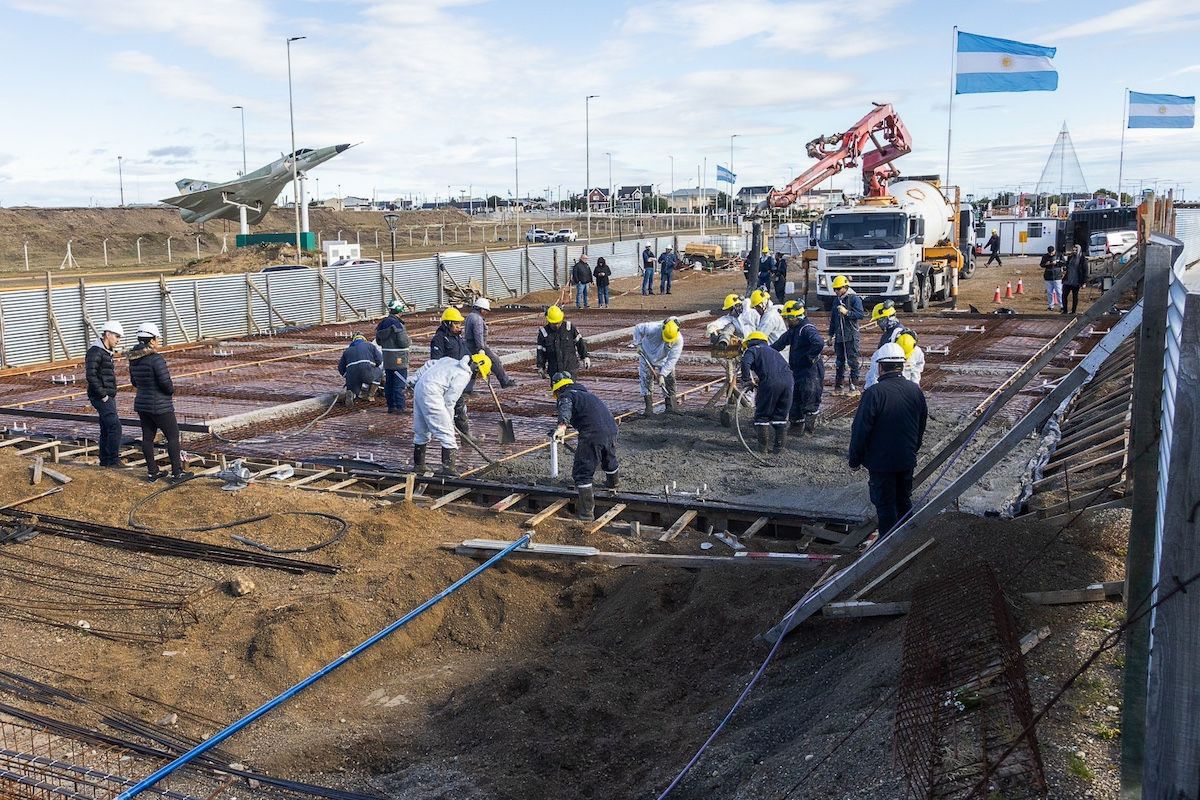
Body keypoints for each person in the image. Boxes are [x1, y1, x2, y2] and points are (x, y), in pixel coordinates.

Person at [848, 343, 928, 537]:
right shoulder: (915, 391)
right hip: (906, 460)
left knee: (885, 508)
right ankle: (906, 543)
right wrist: (912, 450)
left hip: (881, 463)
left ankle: (887, 549)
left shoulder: (874, 393)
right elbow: (921, 425)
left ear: (880, 367)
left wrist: (855, 459)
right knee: (903, 502)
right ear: (901, 366)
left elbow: (860, 430)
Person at [550, 372, 619, 521]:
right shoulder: (587, 395)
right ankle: (613, 484)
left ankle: (586, 514)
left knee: (582, 472)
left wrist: (562, 427)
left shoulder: (566, 395)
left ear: (557, 390)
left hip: (592, 433)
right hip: (611, 429)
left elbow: (565, 408)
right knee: (608, 458)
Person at [127, 322, 190, 483]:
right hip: (161, 406)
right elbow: (166, 384)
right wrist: (169, 391)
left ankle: (152, 472)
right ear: (151, 340)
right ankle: (177, 473)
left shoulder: (133, 359)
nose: (158, 342)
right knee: (173, 437)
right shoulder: (156, 359)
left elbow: (134, 382)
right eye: (156, 339)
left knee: (147, 438)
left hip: (142, 404)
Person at [410, 353, 492, 477]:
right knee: (447, 433)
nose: (477, 377)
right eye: (479, 374)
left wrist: (414, 379)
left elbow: (429, 364)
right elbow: (450, 401)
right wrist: (448, 420)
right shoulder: (463, 375)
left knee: (421, 430)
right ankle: (449, 469)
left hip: (420, 388)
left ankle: (419, 465)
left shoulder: (449, 360)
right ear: (476, 368)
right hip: (432, 393)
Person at [772, 301, 824, 434]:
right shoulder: (794, 330)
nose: (785, 321)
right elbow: (779, 344)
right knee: (795, 397)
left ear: (795, 317)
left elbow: (818, 343)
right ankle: (796, 425)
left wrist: (810, 357)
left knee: (809, 397)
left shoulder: (806, 329)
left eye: (787, 318)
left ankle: (809, 429)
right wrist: (764, 351)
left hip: (810, 371)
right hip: (797, 369)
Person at [740, 331, 794, 454]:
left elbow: (745, 362)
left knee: (762, 415)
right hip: (789, 381)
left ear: (750, 342)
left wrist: (747, 380)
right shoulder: (773, 351)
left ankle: (763, 449)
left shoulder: (752, 350)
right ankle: (779, 449)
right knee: (780, 415)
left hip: (770, 381)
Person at [85, 320, 124, 467]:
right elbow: (91, 375)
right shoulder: (96, 352)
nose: (118, 340)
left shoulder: (105, 352)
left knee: (106, 427)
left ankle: (105, 460)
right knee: (115, 427)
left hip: (107, 395)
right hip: (101, 396)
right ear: (108, 334)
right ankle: (113, 460)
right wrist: (103, 395)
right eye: (116, 336)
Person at [430, 307, 474, 435]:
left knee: (459, 408)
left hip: (457, 378)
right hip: (447, 380)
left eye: (460, 323)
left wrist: (473, 361)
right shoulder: (439, 339)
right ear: (447, 324)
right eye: (456, 323)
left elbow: (465, 354)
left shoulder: (457, 338)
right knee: (455, 407)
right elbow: (435, 362)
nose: (459, 326)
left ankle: (463, 436)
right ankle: (454, 437)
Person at [633, 316, 683, 415]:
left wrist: (662, 375)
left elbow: (672, 359)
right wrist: (638, 344)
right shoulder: (653, 328)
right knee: (646, 380)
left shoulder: (678, 340)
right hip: (646, 354)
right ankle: (648, 409)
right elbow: (637, 328)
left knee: (670, 380)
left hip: (664, 360)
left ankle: (670, 407)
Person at [464, 297, 517, 389]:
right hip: (477, 346)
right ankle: (505, 382)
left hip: (469, 346)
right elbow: (478, 334)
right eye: (486, 310)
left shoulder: (470, 316)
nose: (487, 313)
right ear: (481, 309)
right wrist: (481, 349)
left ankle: (467, 389)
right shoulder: (477, 319)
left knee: (473, 368)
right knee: (495, 361)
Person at [828, 274, 865, 396]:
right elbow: (833, 320)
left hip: (851, 336)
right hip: (839, 336)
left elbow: (860, 314)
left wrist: (847, 312)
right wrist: (830, 335)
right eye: (835, 289)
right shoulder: (836, 301)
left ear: (845, 287)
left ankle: (854, 388)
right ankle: (838, 387)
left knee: (852, 362)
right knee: (839, 362)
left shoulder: (854, 299)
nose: (836, 291)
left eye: (838, 289)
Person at [375, 300, 412, 413]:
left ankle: (391, 407)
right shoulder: (397, 324)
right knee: (399, 384)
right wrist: (409, 340)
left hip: (387, 358)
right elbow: (403, 342)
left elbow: (379, 341)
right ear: (399, 310)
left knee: (389, 383)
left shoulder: (382, 324)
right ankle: (400, 407)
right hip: (399, 358)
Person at [537, 305, 590, 382]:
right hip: (554, 370)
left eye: (558, 323)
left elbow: (579, 342)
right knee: (558, 392)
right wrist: (541, 367)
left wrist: (585, 357)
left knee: (570, 391)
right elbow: (541, 352)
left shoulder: (569, 328)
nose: (557, 325)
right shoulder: (544, 333)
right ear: (549, 321)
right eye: (554, 323)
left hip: (570, 368)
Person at [337, 333, 384, 405]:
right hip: (366, 372)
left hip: (352, 375)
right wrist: (374, 366)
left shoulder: (347, 350)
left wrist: (347, 376)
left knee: (355, 386)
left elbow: (340, 367)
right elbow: (379, 359)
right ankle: (370, 395)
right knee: (379, 372)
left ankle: (352, 394)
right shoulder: (370, 346)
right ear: (364, 340)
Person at [1062, 243, 1088, 315]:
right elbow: (1066, 266)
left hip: (1076, 281)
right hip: (1068, 280)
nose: (1074, 251)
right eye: (1073, 250)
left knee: (1075, 296)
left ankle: (1073, 311)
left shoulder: (1082, 259)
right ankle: (1064, 310)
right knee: (1064, 295)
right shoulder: (1070, 257)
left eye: (1076, 250)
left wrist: (1084, 282)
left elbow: (1085, 271)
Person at [1041, 246, 1063, 311]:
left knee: (1059, 292)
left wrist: (1057, 262)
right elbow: (1041, 264)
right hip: (1048, 277)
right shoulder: (1045, 256)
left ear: (1054, 250)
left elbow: (1064, 263)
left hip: (1057, 276)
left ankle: (1062, 306)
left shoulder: (1059, 255)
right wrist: (1046, 264)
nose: (1051, 254)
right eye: (1049, 253)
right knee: (1049, 292)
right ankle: (1050, 306)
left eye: (1052, 253)